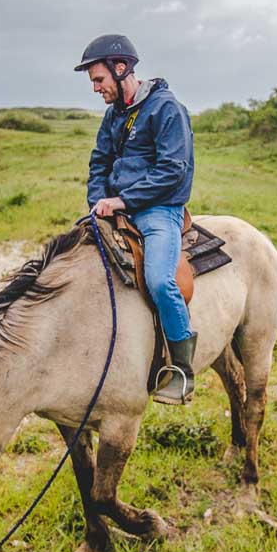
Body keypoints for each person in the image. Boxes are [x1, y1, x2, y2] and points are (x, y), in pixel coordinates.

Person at [76, 34, 197, 404]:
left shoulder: (166, 109)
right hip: (115, 206)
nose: (96, 88)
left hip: (159, 208)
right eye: (94, 82)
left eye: (99, 80)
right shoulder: (114, 115)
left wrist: (124, 200)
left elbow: (173, 170)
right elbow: (100, 162)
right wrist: (99, 202)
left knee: (160, 280)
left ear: (121, 68)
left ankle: (181, 371)